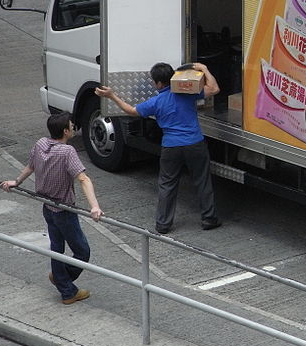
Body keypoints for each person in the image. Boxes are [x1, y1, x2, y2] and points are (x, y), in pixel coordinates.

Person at [94, 62, 221, 234]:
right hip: (195, 144)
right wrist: (204, 69)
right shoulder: (188, 93)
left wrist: (112, 96)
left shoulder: (156, 102)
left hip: (171, 147)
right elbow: (213, 89)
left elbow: (131, 111)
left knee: (167, 185)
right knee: (202, 181)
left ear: (159, 83)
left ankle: (163, 224)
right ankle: (209, 219)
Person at [1, 112, 103, 305]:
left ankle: (63, 284)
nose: (74, 127)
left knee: (57, 248)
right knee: (82, 251)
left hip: (47, 207)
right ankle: (64, 285)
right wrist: (94, 206)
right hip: (64, 210)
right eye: (72, 126)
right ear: (65, 131)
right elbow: (83, 178)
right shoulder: (67, 152)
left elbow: (31, 166)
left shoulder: (40, 144)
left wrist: (16, 181)